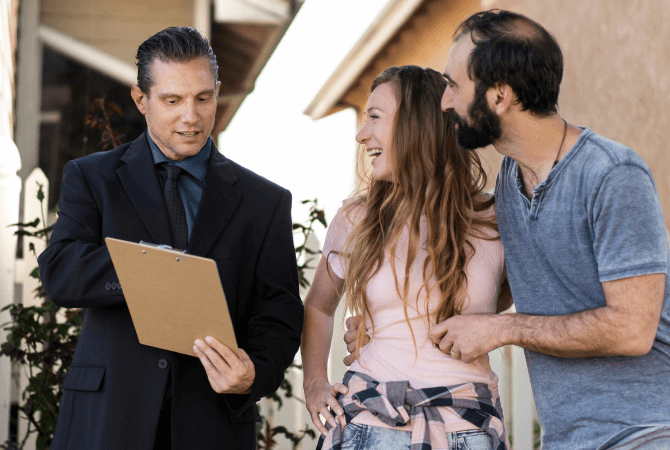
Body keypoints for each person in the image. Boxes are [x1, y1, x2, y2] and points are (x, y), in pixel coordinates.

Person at [37, 27, 303, 450]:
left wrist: (254, 371)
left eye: (203, 98)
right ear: (141, 100)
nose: (191, 117)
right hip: (106, 421)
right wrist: (148, 266)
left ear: (217, 93)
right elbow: (61, 273)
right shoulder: (92, 177)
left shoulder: (265, 202)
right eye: (173, 100)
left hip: (210, 425)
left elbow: (280, 313)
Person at [431, 9, 670, 450]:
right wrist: (390, 325)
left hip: (645, 432)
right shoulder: (509, 179)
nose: (445, 102)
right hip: (567, 438)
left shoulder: (612, 174)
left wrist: (502, 329)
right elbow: (502, 287)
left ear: (499, 96)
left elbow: (632, 329)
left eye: (453, 86)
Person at [302, 65, 511, 450]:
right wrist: (314, 382)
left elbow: (506, 297)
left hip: (467, 422)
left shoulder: (495, 216)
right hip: (369, 422)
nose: (361, 134)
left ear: (418, 125)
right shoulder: (357, 218)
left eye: (375, 117)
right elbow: (318, 306)